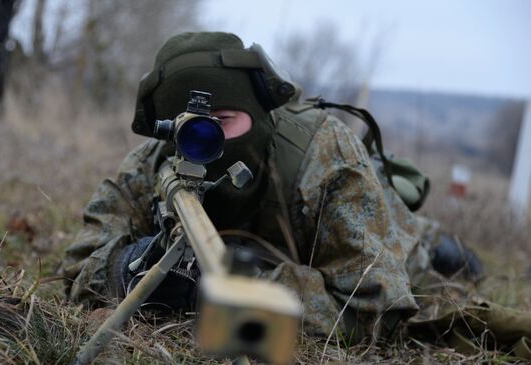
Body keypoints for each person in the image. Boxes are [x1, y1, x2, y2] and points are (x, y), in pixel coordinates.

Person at [61, 32, 455, 342]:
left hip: (387, 232)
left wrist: (231, 289)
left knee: (426, 251)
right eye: (190, 126)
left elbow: (378, 307)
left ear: (258, 111)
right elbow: (80, 262)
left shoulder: (324, 154)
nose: (206, 138)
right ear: (168, 129)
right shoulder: (152, 165)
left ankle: (442, 245)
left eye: (224, 119)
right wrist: (130, 270)